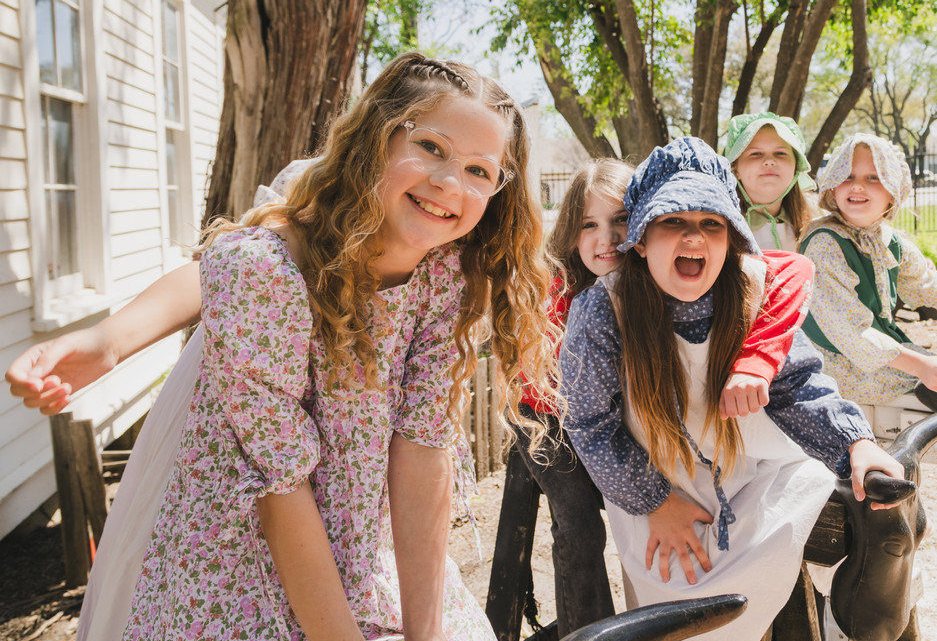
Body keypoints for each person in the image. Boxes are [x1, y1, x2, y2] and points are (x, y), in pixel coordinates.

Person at [7, 53, 558, 641]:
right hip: (241, 557)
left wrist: (425, 635)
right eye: (430, 146)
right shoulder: (267, 271)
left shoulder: (445, 273)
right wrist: (109, 341)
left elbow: (421, 447)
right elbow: (279, 486)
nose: (450, 183)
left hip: (356, 538)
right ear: (377, 136)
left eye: (480, 170)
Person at [559, 137, 903, 640]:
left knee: (846, 534)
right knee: (681, 613)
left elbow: (797, 385)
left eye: (711, 224)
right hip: (661, 488)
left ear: (731, 235)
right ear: (641, 237)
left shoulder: (753, 293)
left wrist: (857, 442)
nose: (693, 238)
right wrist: (655, 502)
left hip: (758, 478)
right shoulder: (603, 310)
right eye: (672, 221)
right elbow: (590, 422)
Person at [798, 132, 937, 533]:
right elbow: (849, 333)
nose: (858, 187)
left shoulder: (887, 240)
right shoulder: (825, 243)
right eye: (848, 177)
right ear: (832, 186)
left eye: (873, 178)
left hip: (882, 352)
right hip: (837, 361)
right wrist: (920, 364)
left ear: (893, 194)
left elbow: (928, 286)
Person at [513, 159, 633, 637]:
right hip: (546, 416)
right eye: (589, 224)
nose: (605, 238)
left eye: (619, 220)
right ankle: (589, 630)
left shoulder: (652, 278)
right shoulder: (558, 285)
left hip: (613, 415)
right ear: (570, 229)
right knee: (580, 523)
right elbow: (547, 374)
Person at [724, 111, 815, 251]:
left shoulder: (814, 225)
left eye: (780, 153)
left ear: (796, 168)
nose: (769, 161)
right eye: (756, 153)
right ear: (736, 169)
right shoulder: (719, 228)